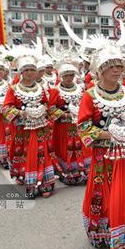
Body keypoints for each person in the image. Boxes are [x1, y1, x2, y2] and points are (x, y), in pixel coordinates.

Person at [64, 17, 125, 249]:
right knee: (106, 192)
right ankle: (104, 230)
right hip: (105, 156)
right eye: (111, 66)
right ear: (99, 70)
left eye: (119, 66)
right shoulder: (91, 96)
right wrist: (108, 135)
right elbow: (84, 126)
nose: (117, 70)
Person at [1, 45, 59, 197]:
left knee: (42, 153)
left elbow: (48, 105)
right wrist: (23, 113)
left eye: (32, 70)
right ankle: (31, 183)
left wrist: (45, 110)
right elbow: (6, 109)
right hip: (23, 130)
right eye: (26, 70)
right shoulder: (13, 89)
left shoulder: (41, 87)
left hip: (40, 128)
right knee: (27, 155)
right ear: (21, 72)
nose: (29, 73)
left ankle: (46, 182)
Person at [48, 56, 85, 184]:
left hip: (78, 124)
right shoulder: (55, 91)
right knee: (65, 149)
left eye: (71, 75)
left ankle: (81, 171)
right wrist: (65, 115)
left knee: (81, 147)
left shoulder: (81, 88)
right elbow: (51, 109)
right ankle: (67, 172)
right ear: (61, 76)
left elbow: (86, 104)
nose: (69, 78)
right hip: (63, 126)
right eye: (66, 75)